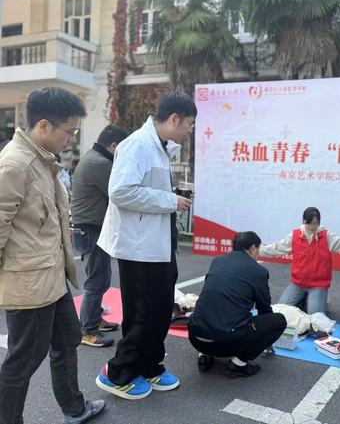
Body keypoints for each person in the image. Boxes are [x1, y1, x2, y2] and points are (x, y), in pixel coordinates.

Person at [0, 87, 105, 424]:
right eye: (69, 132)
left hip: (52, 277)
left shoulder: (42, 161)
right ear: (44, 126)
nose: (71, 140)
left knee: (67, 339)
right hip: (29, 285)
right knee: (23, 361)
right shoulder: (15, 165)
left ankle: (74, 408)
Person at [95, 92, 195, 400]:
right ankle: (118, 373)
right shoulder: (137, 144)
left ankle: (149, 365)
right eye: (189, 123)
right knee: (144, 311)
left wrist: (170, 199)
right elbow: (121, 191)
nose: (190, 130)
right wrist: (169, 200)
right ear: (174, 118)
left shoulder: (160, 146)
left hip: (156, 242)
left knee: (161, 308)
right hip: (138, 246)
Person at [188, 231, 286, 377]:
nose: (258, 254)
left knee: (211, 307)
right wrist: (266, 338)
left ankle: (204, 355)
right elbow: (264, 309)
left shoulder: (217, 261)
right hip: (227, 343)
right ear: (252, 248)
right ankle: (239, 364)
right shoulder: (258, 271)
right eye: (258, 250)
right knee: (279, 321)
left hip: (195, 336)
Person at [71, 125, 128, 348]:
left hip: (91, 228)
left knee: (101, 278)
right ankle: (87, 330)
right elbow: (120, 191)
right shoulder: (99, 163)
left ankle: (94, 319)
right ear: (114, 146)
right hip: (90, 229)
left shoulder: (95, 158)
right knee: (96, 281)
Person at [259, 207, 340, 314]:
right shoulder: (295, 235)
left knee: (315, 318)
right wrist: (258, 251)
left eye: (315, 223)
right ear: (303, 222)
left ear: (319, 223)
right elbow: (277, 247)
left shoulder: (326, 236)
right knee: (281, 311)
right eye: (309, 223)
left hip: (318, 285)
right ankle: (304, 301)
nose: (312, 227)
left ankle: (324, 303)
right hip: (298, 283)